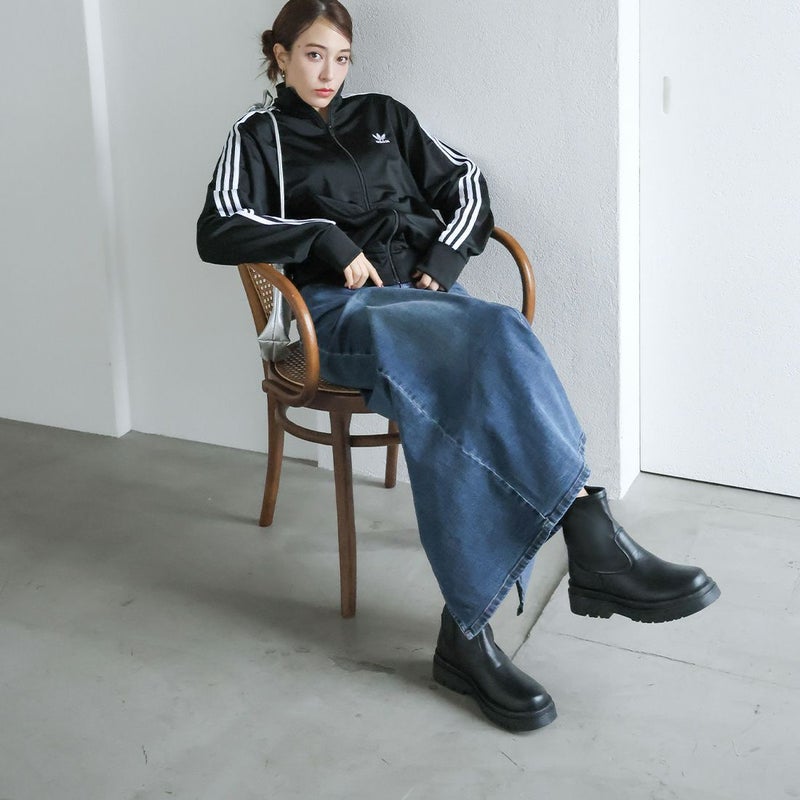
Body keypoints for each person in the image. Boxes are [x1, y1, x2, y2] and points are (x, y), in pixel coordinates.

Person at [197, 0, 720, 732]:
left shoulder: (384, 116)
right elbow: (219, 225)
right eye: (313, 55)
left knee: (482, 357)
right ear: (280, 55)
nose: (328, 73)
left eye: (341, 58)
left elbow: (467, 182)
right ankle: (586, 532)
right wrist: (322, 238)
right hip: (328, 316)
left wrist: (444, 261)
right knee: (494, 335)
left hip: (425, 304)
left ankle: (468, 635)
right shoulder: (258, 136)